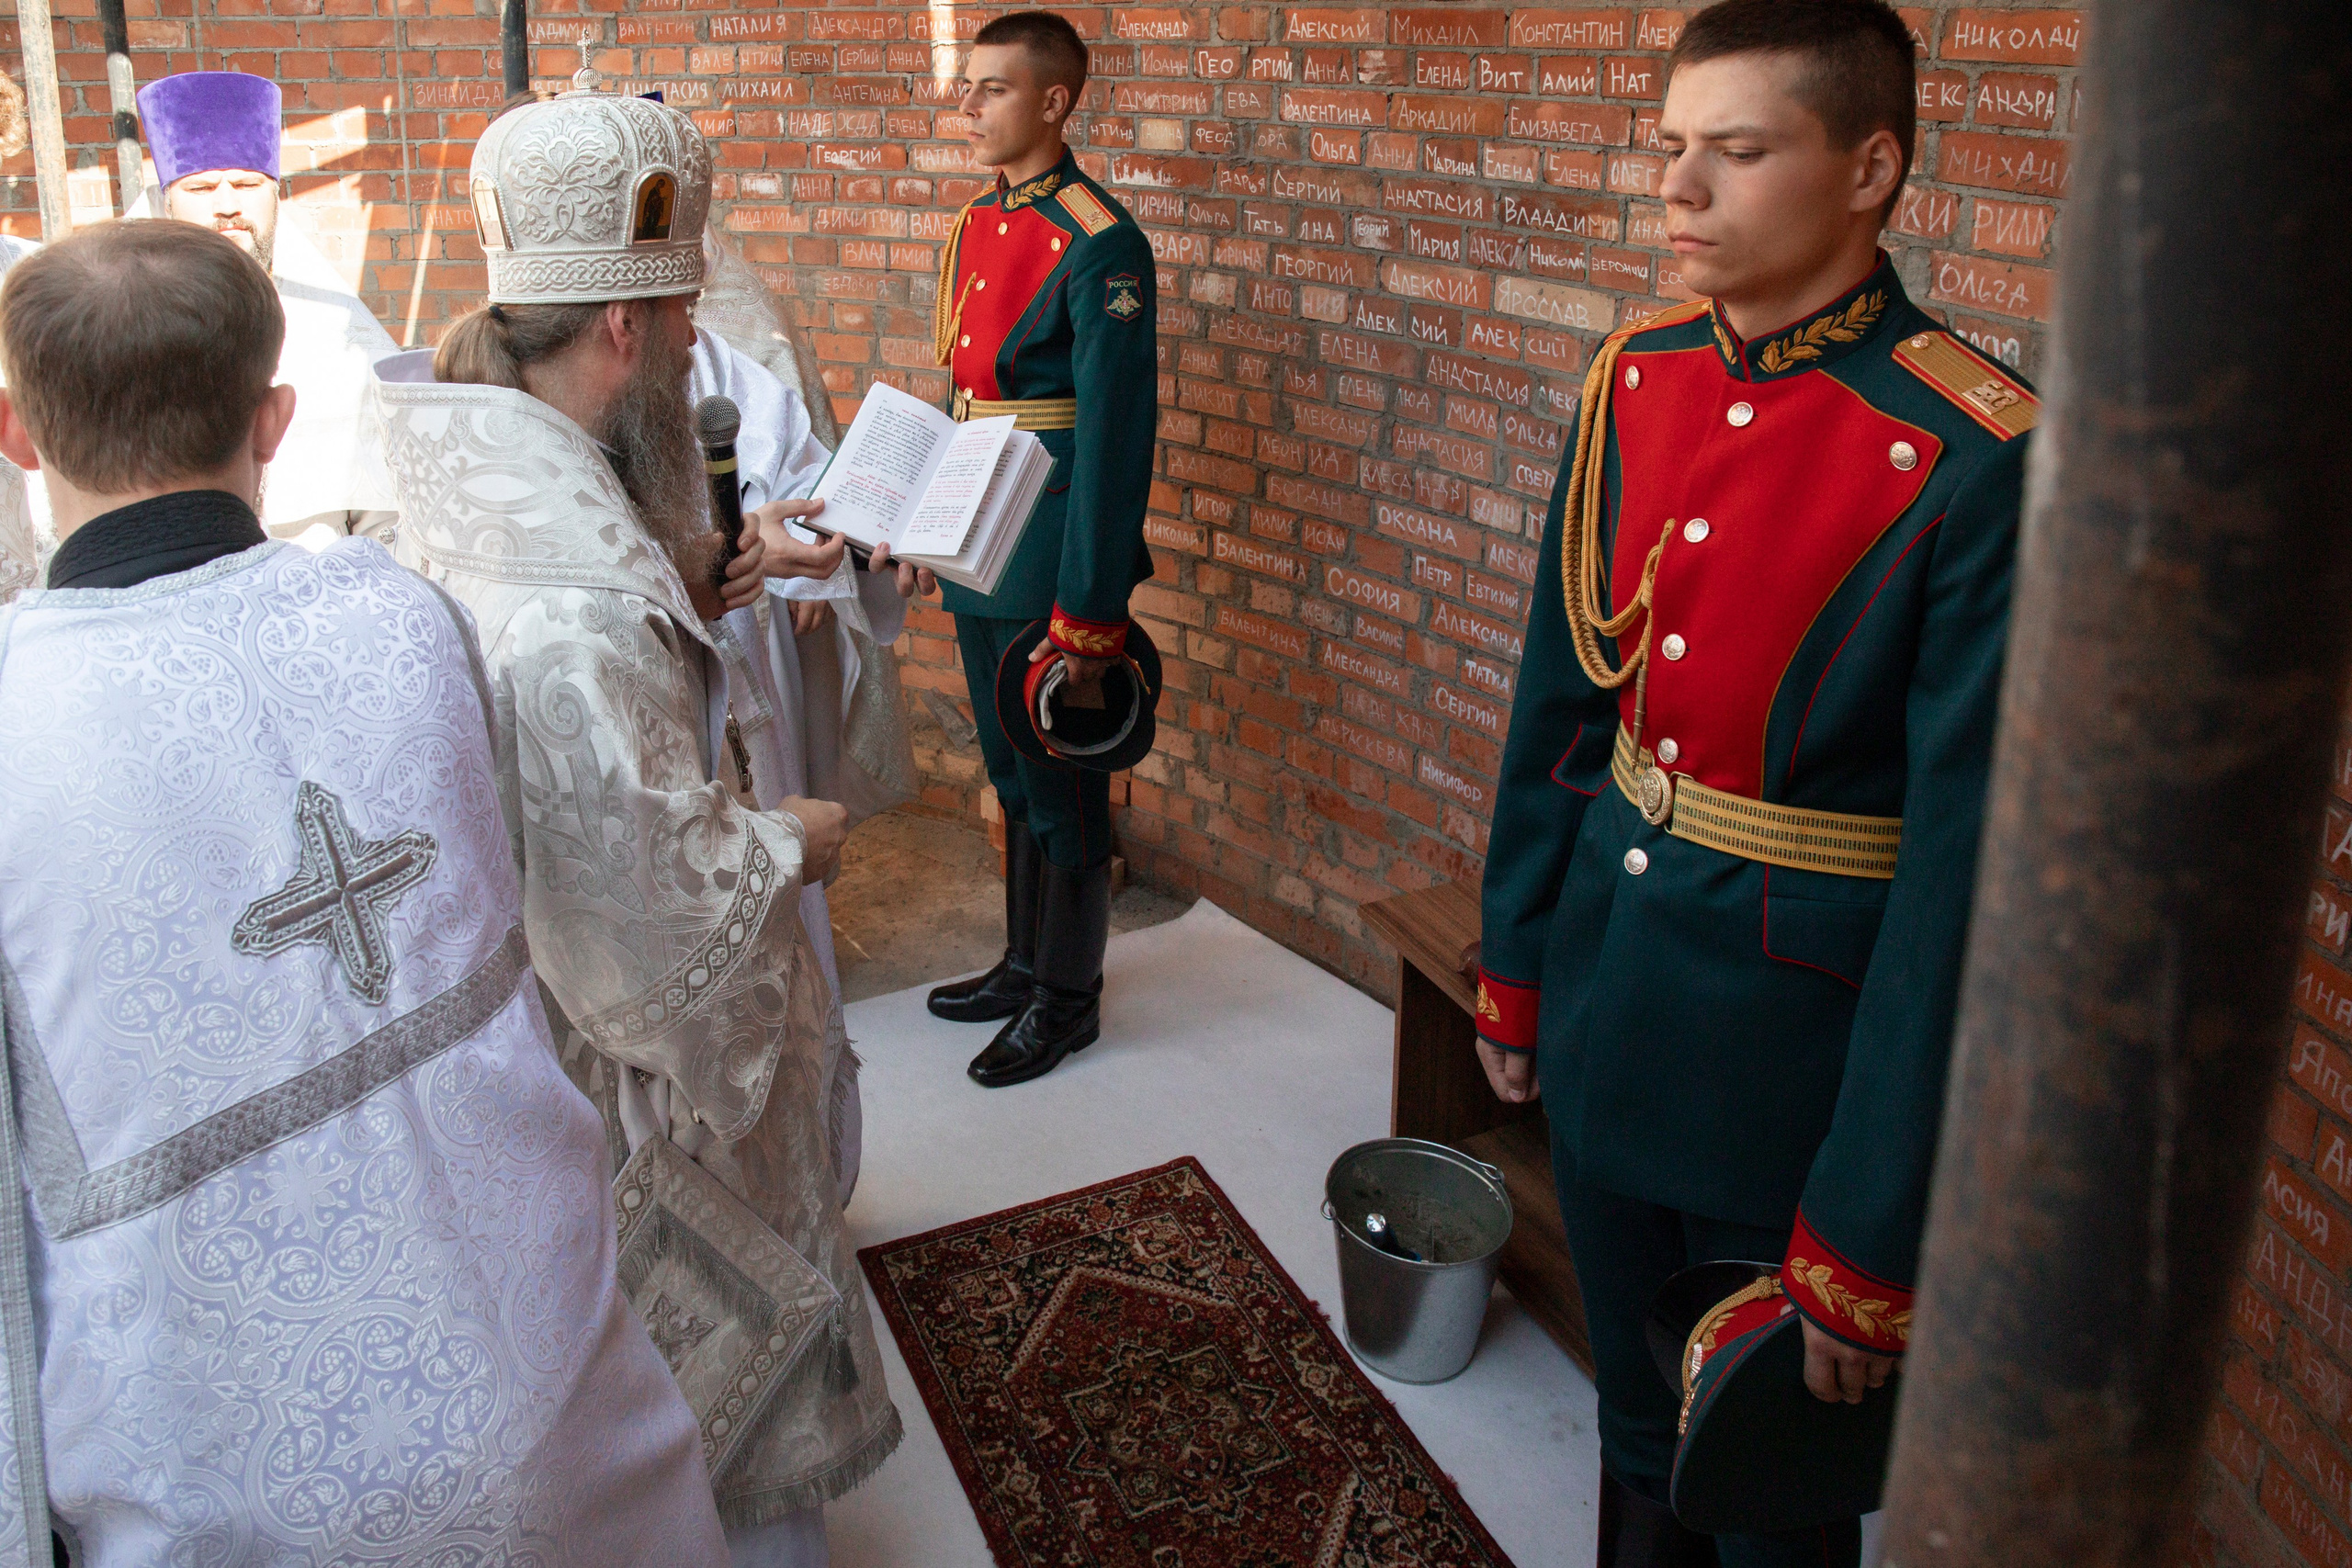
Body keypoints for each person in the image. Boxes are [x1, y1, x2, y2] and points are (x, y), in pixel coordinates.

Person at [0, 220, 727, 1564]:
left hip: (217, 1483)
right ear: (273, 419)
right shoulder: (405, 614)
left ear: (16, 432)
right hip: (548, 1401)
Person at [1473, 2, 2039, 1563]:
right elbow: (1561, 709)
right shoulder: (1638, 380)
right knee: (1639, 1440)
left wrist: (1868, 1226)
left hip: (1795, 1065)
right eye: (1671, 150)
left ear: (1871, 166)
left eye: (1737, 151)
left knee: (1771, 1487)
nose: (1681, 191)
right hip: (1608, 987)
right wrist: (1516, 964)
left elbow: (1962, 883)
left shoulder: (1971, 447)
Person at [377, 69, 900, 1566]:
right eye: (679, 321)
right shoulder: (577, 604)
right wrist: (791, 837)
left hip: (524, 1041)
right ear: (628, 327)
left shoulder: (485, 476)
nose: (691, 345)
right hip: (633, 1098)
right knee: (705, 1448)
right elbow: (649, 938)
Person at [922, 9, 1158, 1089]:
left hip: (1053, 534)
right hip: (980, 525)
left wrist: (1091, 609)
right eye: (966, 87)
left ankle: (1070, 998)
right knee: (1009, 766)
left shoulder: (1101, 238)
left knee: (1061, 777)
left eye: (991, 89)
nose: (965, 106)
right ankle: (1024, 964)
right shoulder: (978, 219)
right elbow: (965, 394)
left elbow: (1114, 437)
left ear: (1055, 101)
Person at [136, 70, 401, 546]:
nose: (227, 204)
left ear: (274, 194)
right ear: (165, 199)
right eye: (200, 189)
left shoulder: (344, 338)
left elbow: (386, 517)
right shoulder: (122, 329)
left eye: (245, 184)